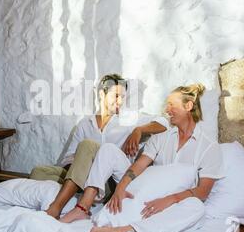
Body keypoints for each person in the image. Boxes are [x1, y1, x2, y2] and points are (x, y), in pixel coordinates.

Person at [62, 84, 224, 232]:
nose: (167, 110)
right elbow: (139, 166)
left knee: (197, 208)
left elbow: (203, 192)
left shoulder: (208, 147)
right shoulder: (162, 137)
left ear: (188, 106)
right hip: (146, 189)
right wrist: (121, 187)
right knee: (108, 150)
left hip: (175, 201)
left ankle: (126, 230)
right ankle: (82, 208)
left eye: (171, 105)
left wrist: (170, 199)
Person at [29, 74, 168, 219]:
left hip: (109, 181)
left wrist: (138, 130)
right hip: (82, 175)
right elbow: (68, 159)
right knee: (38, 172)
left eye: (123, 97)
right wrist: (83, 170)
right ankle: (74, 192)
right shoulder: (85, 124)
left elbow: (164, 123)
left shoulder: (128, 120)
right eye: (116, 96)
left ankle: (55, 208)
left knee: (87, 145)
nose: (120, 101)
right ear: (102, 94)